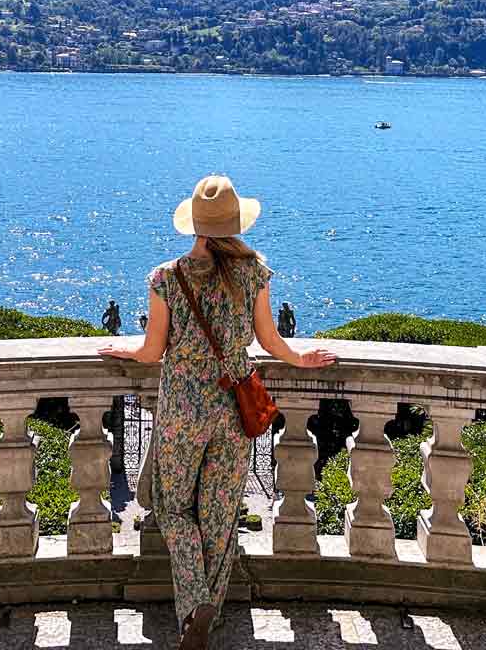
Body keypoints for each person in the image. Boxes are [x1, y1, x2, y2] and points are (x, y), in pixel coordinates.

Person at [99, 175, 337, 650]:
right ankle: (207, 603)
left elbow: (152, 352)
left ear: (195, 225)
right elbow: (269, 342)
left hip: (184, 405)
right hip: (234, 406)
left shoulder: (166, 278)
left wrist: (123, 354)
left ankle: (194, 602)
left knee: (172, 506)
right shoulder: (255, 274)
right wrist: (301, 359)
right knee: (220, 512)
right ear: (235, 224)